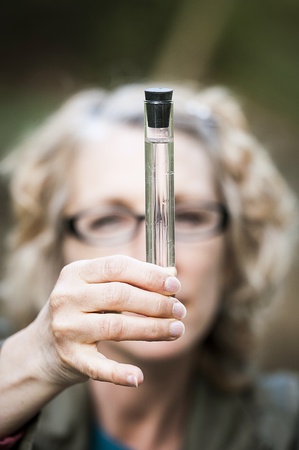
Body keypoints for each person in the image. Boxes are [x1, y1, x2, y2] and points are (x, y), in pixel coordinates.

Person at [0, 81, 298, 450]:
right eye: (107, 220)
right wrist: (25, 373)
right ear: (53, 251)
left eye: (188, 217)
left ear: (234, 252)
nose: (151, 260)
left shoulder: (284, 428)